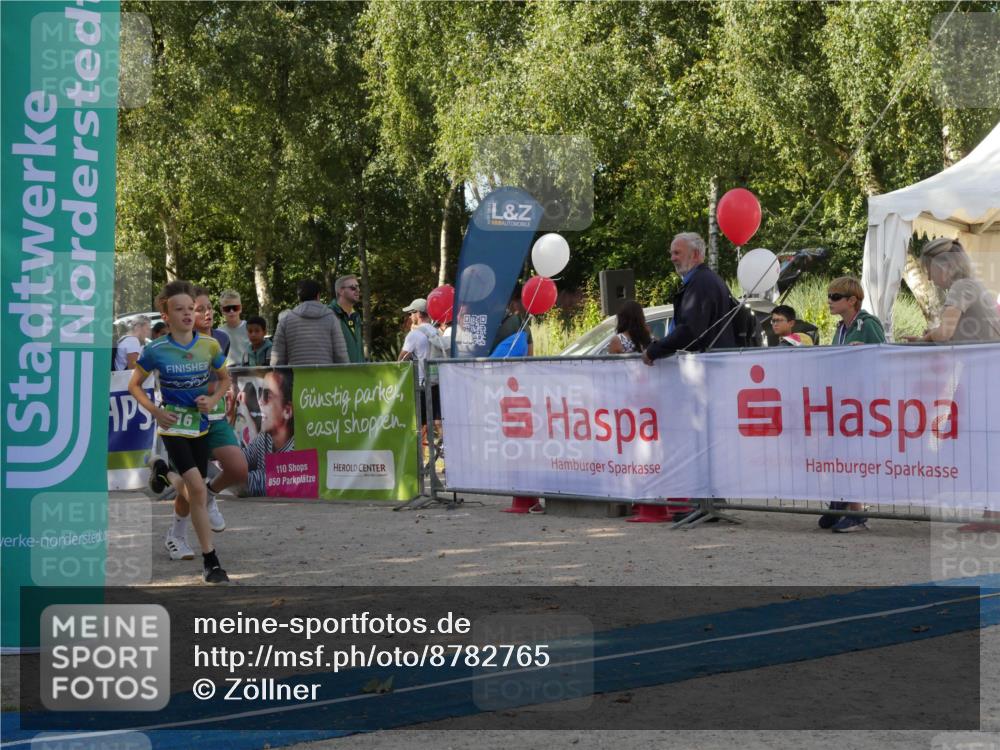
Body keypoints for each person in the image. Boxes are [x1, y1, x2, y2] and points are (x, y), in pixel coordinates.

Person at [129, 280, 231, 583]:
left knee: (191, 492)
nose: (188, 314)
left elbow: (225, 379)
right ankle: (211, 562)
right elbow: (134, 385)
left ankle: (164, 474)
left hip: (199, 427)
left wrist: (212, 399)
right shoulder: (157, 350)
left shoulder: (209, 345)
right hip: (173, 429)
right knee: (199, 490)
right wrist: (157, 411)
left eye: (191, 309)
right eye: (180, 310)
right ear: (166, 314)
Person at [908, 238, 1000, 532]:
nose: (929, 276)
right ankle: (991, 515)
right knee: (985, 444)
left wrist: (925, 338)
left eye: (928, 269)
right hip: (985, 375)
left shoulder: (962, 288)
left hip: (984, 378)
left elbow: (946, 333)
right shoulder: (974, 286)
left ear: (942, 266)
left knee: (982, 444)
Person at [150, 285, 248, 535]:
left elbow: (221, 377)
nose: (206, 313)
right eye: (199, 309)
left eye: (209, 308)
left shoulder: (221, 339)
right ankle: (177, 535)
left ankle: (209, 497)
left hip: (213, 417)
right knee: (191, 486)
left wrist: (217, 396)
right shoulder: (175, 343)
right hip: (185, 422)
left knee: (237, 469)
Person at [821, 276, 886, 534]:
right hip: (843, 400)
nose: (830, 301)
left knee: (852, 453)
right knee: (837, 452)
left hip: (863, 401)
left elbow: (882, 355)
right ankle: (843, 501)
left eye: (835, 297)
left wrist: (866, 351)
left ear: (852, 300)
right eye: (829, 296)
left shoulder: (868, 324)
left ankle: (856, 512)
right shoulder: (841, 328)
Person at [643, 232, 736, 365]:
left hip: (708, 368)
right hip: (713, 365)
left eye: (677, 253)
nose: (672, 258)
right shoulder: (708, 279)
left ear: (695, 254)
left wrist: (654, 350)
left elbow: (689, 331)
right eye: (671, 253)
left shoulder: (700, 283)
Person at [907, 238, 1000, 344]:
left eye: (930, 270)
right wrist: (933, 334)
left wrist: (923, 340)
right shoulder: (970, 284)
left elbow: (944, 333)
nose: (929, 278)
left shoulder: (961, 286)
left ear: (945, 267)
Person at [241, 369, 296, 497]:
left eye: (267, 396)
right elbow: (240, 462)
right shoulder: (265, 438)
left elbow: (247, 484)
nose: (259, 401)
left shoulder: (296, 451)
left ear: (287, 411)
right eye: (260, 393)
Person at [270, 279, 349, 366]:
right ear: (318, 296)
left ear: (299, 297)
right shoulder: (331, 318)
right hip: (325, 377)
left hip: (296, 377)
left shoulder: (285, 320)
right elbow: (340, 354)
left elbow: (277, 359)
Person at [399, 298, 443, 433]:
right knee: (438, 422)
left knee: (417, 424)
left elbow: (400, 360)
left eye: (411, 313)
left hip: (421, 386)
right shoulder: (436, 332)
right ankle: (444, 449)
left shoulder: (414, 334)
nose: (410, 316)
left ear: (418, 313)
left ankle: (419, 453)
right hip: (437, 382)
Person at [329, 274, 365, 363]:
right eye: (353, 287)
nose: (358, 290)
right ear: (341, 291)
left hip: (357, 373)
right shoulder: (328, 314)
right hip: (338, 373)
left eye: (358, 287)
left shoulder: (356, 316)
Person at [491, 288, 533, 356]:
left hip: (491, 365)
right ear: (514, 303)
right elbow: (530, 356)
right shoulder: (524, 325)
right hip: (517, 366)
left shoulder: (490, 320)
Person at [219, 289, 251, 367]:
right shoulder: (218, 333)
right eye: (227, 308)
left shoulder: (251, 328)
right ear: (222, 310)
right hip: (227, 374)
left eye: (235, 307)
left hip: (248, 372)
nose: (232, 311)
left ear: (240, 308)